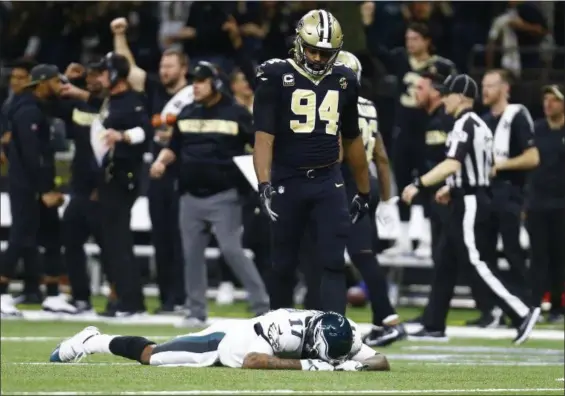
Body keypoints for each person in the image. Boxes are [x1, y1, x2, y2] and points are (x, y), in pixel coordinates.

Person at [401, 74, 539, 345]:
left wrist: (420, 184)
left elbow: (453, 164)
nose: (443, 99)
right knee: (445, 262)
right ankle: (434, 324)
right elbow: (479, 168)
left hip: (471, 202)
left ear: (462, 97)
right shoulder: (479, 124)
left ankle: (522, 311)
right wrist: (452, 188)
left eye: (448, 94)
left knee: (475, 263)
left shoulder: (464, 123)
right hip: (466, 196)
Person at [253, 10, 371, 315]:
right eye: (313, 50)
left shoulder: (345, 80)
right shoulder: (275, 75)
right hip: (287, 178)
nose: (318, 58)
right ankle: (277, 333)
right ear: (298, 43)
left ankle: (334, 334)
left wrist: (364, 189)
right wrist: (264, 182)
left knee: (333, 260)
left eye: (325, 53)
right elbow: (264, 137)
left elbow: (352, 138)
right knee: (282, 264)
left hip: (327, 180)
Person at [150, 61, 270, 327]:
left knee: (231, 250)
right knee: (191, 254)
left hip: (225, 195)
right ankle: (195, 311)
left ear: (215, 83)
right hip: (190, 195)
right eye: (194, 81)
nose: (195, 85)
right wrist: (161, 162)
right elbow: (174, 147)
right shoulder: (188, 113)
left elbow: (260, 146)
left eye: (201, 81)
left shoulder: (236, 113)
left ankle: (263, 306)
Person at [112, 17, 188, 313]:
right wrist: (120, 35)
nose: (163, 70)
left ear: (183, 68)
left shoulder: (194, 94)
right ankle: (168, 298)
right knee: (161, 238)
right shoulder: (156, 90)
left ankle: (182, 297)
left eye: (170, 66)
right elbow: (129, 70)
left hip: (183, 172)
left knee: (180, 238)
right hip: (157, 175)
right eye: (162, 66)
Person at [50, 309, 390, 372]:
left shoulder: (343, 331)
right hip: (229, 342)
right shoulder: (287, 328)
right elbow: (253, 361)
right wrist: (310, 365)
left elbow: (381, 361)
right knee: (152, 356)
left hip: (249, 343)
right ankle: (92, 340)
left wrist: (355, 367)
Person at [370, 22, 457, 258]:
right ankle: (403, 238)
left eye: (416, 39)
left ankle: (429, 238)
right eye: (408, 38)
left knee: (429, 185)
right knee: (401, 182)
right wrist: (369, 25)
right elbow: (376, 52)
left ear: (427, 40)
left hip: (430, 132)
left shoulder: (442, 66)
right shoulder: (400, 59)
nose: (410, 43)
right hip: (403, 131)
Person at [86, 52, 152, 317]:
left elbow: (144, 132)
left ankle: (131, 301)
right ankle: (120, 297)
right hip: (108, 179)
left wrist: (122, 135)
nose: (100, 76)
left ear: (114, 74)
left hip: (123, 178)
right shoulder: (111, 101)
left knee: (119, 241)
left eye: (104, 71)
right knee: (112, 241)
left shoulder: (132, 101)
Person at [472, 69, 539, 327]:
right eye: (483, 85)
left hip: (509, 193)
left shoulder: (517, 115)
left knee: (512, 253)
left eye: (489, 85)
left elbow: (532, 157)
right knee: (485, 255)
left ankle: (526, 306)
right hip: (486, 195)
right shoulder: (483, 120)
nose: (484, 91)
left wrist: (501, 165)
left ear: (504, 88)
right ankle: (494, 310)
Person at [0, 64, 66, 317]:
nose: (60, 86)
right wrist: (45, 189)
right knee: (20, 237)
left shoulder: (38, 107)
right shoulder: (27, 111)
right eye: (56, 82)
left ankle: (53, 296)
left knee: (51, 236)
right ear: (43, 82)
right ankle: (2, 294)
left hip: (38, 185)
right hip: (27, 186)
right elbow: (31, 156)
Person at [400, 70, 455, 325]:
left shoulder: (447, 120)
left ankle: (509, 309)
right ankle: (433, 317)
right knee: (441, 260)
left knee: (463, 259)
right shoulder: (428, 120)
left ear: (435, 91)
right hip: (437, 200)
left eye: (421, 87)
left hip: (451, 200)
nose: (416, 93)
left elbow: (454, 161)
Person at [526, 84, 565, 323]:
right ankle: (535, 305)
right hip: (538, 203)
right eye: (546, 99)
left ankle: (558, 307)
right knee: (537, 256)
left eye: (554, 100)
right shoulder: (536, 129)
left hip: (562, 204)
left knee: (560, 257)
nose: (548, 104)